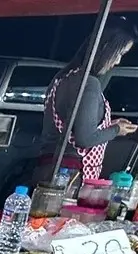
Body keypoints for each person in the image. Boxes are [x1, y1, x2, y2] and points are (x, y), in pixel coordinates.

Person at [42, 23, 138, 182]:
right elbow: (84, 139)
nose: (118, 61)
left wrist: (110, 125)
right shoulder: (89, 84)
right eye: (120, 53)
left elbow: (75, 124)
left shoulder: (63, 77)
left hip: (48, 166)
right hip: (69, 174)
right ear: (106, 48)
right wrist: (116, 130)